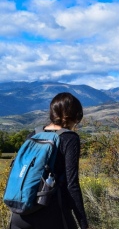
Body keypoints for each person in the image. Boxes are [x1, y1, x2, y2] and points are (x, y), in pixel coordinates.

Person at [10, 92, 89, 229]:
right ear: (75, 115)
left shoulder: (34, 134)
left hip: (19, 213)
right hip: (51, 213)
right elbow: (72, 185)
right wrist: (83, 222)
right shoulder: (70, 138)